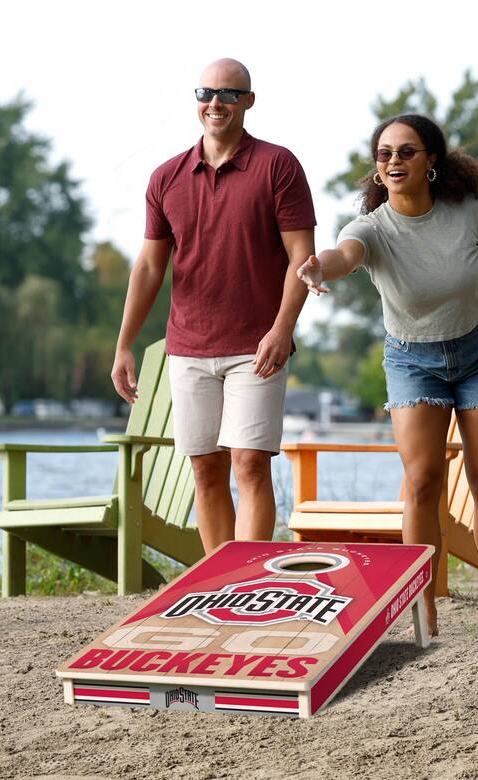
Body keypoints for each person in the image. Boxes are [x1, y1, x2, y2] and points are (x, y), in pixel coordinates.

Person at [297, 114, 478, 634]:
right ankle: (423, 607)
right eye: (384, 154)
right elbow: (343, 255)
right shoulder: (371, 228)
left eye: (406, 151)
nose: (394, 161)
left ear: (431, 162)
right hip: (412, 360)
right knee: (422, 480)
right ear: (376, 169)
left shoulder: (468, 211)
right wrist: (318, 267)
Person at [111, 58, 316, 555]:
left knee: (249, 462)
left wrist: (282, 329)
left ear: (249, 101)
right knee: (205, 468)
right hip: (189, 346)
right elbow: (148, 269)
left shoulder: (277, 165)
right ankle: (220, 583)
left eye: (228, 94)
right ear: (196, 100)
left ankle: (246, 584)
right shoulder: (166, 177)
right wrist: (123, 346)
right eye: (207, 93)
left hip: (257, 346)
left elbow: (302, 258)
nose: (216, 103)